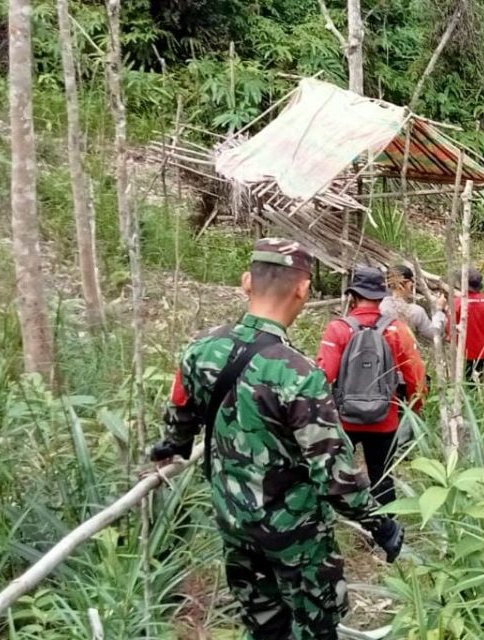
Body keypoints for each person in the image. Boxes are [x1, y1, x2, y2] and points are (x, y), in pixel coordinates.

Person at [149, 239, 403, 640]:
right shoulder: (298, 374)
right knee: (315, 628)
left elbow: (180, 415)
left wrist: (173, 446)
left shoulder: (200, 351)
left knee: (263, 626)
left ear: (246, 281)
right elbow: (334, 476)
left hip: (234, 523)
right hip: (296, 536)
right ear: (302, 290)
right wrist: (379, 523)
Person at [317, 267, 426, 506]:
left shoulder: (338, 329)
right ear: (381, 296)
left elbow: (323, 376)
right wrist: (415, 410)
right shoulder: (398, 329)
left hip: (345, 419)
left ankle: (348, 517)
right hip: (385, 418)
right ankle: (385, 532)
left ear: (353, 296)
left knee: (336, 472)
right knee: (382, 477)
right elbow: (416, 376)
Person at [446, 267, 484, 381]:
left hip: (465, 351)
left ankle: (471, 397)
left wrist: (451, 339)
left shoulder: (457, 303)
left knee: (468, 380)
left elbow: (450, 328)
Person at [380, 265, 446, 346]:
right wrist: (439, 310)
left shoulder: (379, 307)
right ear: (408, 283)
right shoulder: (415, 311)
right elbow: (435, 334)